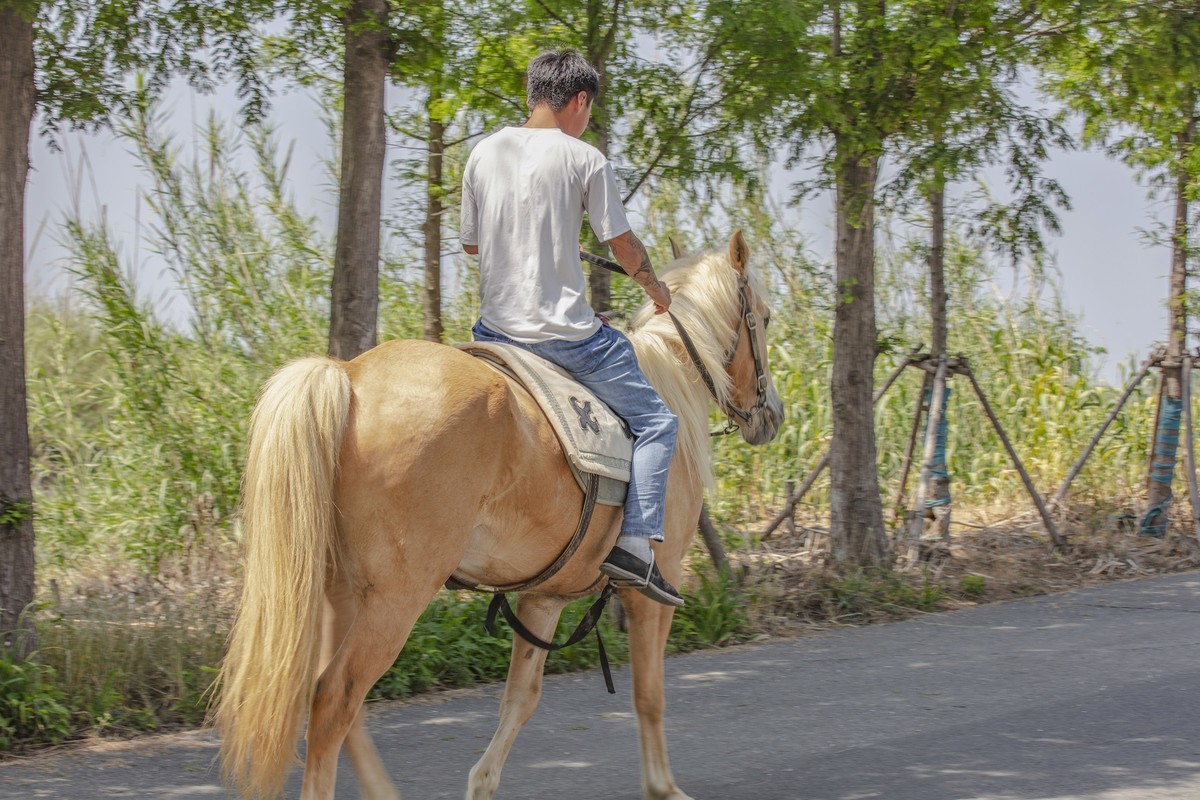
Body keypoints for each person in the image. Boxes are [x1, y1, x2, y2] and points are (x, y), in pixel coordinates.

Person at [460, 49, 683, 607]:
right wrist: (655, 288)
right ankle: (634, 545)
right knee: (658, 422)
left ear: (535, 93)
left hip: (493, 334)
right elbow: (624, 246)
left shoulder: (482, 153)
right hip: (565, 340)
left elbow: (471, 244)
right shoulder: (586, 158)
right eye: (590, 109)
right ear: (579, 101)